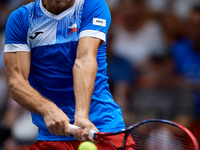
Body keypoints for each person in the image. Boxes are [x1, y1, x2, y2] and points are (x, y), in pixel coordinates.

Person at [3, 0, 135, 149]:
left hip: (101, 129)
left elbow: (84, 59)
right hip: (52, 136)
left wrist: (81, 115)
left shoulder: (92, 5)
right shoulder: (21, 19)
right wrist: (48, 110)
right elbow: (16, 82)